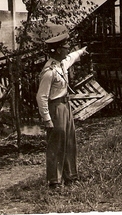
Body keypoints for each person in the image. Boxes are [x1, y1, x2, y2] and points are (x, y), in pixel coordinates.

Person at [36, 33, 88, 189]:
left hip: (66, 106)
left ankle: (71, 176)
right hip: (55, 108)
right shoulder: (49, 71)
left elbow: (72, 57)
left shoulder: (61, 64)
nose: (67, 49)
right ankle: (55, 181)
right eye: (65, 47)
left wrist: (83, 51)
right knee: (57, 144)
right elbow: (41, 97)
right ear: (58, 50)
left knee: (69, 141)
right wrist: (47, 118)